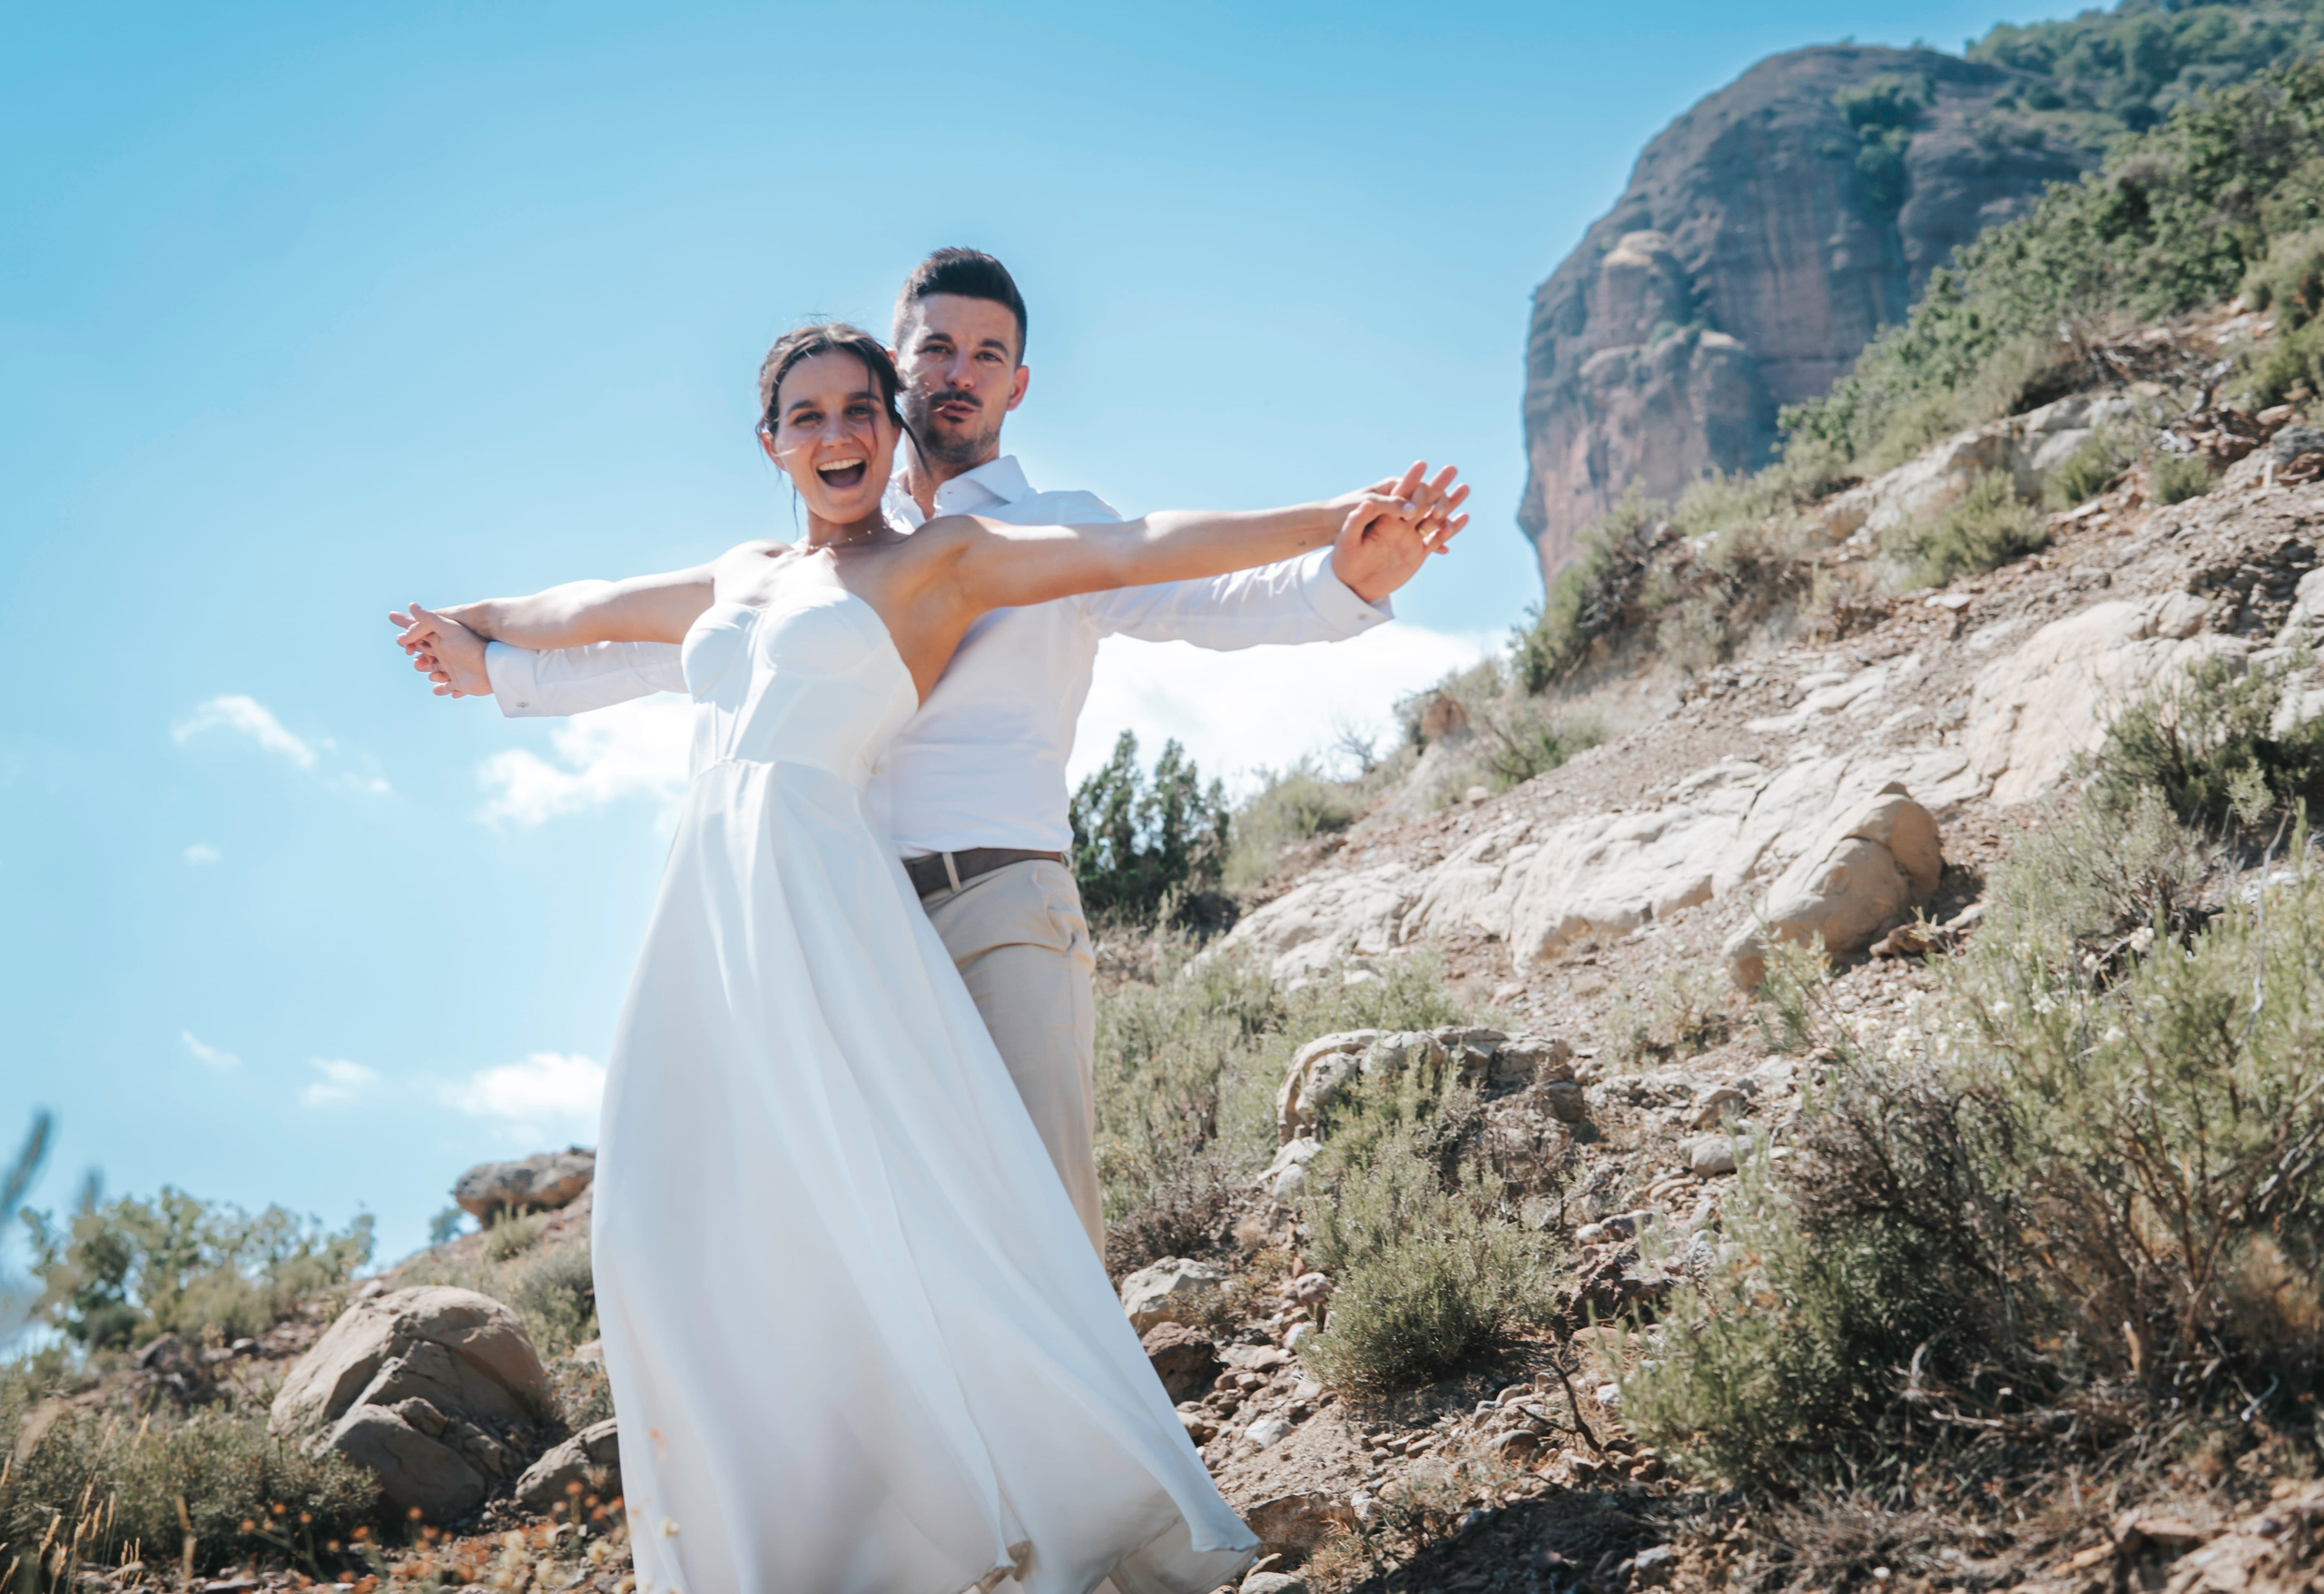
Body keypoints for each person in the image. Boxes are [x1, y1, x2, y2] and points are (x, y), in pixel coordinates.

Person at [394, 323, 1462, 1594]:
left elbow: (1143, 550)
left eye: (859, 409)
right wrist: (485, 635)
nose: (836, 432)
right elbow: (596, 616)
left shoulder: (943, 560)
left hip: (834, 896)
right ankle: (802, 1550)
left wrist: (1339, 520)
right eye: (808, 415)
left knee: (982, 1225)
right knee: (668, 1230)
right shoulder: (739, 574)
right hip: (704, 915)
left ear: (893, 431)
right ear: (771, 442)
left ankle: (1071, 1526)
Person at [398, 249, 1463, 1255]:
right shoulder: (828, 548)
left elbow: (1203, 590)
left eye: (985, 356)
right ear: (896, 368)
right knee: (879, 1243)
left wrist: (1351, 571)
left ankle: (1091, 1453)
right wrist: (498, 665)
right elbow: (669, 654)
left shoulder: (1052, 529)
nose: (958, 374)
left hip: (1001, 902)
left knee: (1038, 1218)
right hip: (845, 925)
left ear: (1018, 385)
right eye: (936, 349)